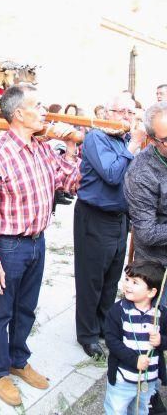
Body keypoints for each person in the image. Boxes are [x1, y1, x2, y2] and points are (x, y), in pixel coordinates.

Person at [0, 83, 80, 407]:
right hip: (8, 247)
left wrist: (71, 147)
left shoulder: (43, 148)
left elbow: (69, 183)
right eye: (38, 105)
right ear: (19, 114)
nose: (45, 111)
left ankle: (18, 360)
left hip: (38, 242)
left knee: (26, 308)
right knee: (1, 312)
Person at [74, 93, 146, 359]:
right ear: (107, 113)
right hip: (94, 216)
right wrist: (132, 147)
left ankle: (104, 325)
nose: (126, 118)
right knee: (90, 278)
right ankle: (87, 334)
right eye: (120, 112)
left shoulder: (126, 140)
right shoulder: (96, 137)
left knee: (112, 277)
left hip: (119, 218)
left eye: (130, 113)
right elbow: (113, 175)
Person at [125, 102, 167, 414]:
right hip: (159, 270)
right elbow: (148, 233)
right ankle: (151, 397)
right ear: (152, 140)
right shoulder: (140, 172)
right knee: (154, 337)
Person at [104, 261, 167, 415]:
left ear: (151, 292)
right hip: (122, 380)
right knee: (116, 410)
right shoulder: (118, 311)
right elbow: (112, 341)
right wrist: (134, 360)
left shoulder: (160, 314)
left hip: (147, 380)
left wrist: (160, 341)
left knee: (140, 410)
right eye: (126, 279)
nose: (127, 285)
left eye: (135, 282)